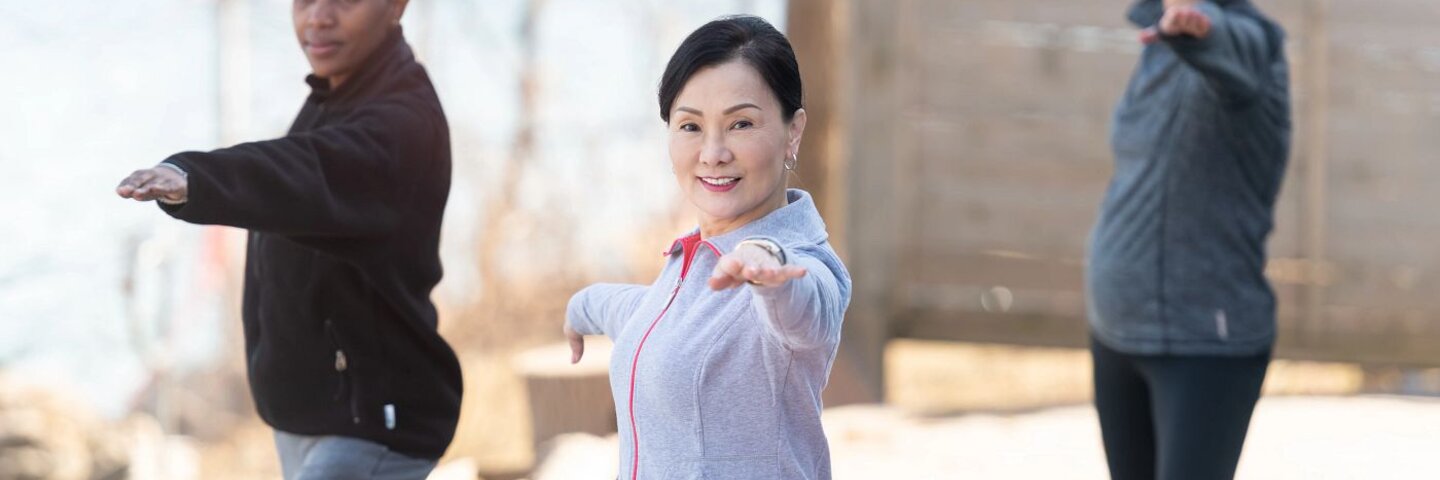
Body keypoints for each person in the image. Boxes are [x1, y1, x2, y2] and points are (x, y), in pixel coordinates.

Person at [114, 1, 461, 478]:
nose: (317, 17)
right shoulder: (338, 92)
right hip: (316, 423)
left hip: (373, 429)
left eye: (344, 0)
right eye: (303, 0)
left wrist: (197, 177)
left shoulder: (403, 123)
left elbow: (304, 171)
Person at [562, 15, 851, 480]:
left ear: (792, 131)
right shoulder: (694, 262)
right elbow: (653, 316)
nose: (713, 153)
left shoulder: (800, 265)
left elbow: (807, 312)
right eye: (690, 127)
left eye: (741, 124)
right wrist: (582, 307)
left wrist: (770, 271)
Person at [1085, 0, 1291, 478]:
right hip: (1116, 326)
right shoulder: (1153, 47)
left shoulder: (1254, 46)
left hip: (1205, 343)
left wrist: (1196, 29)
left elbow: (1226, 45)